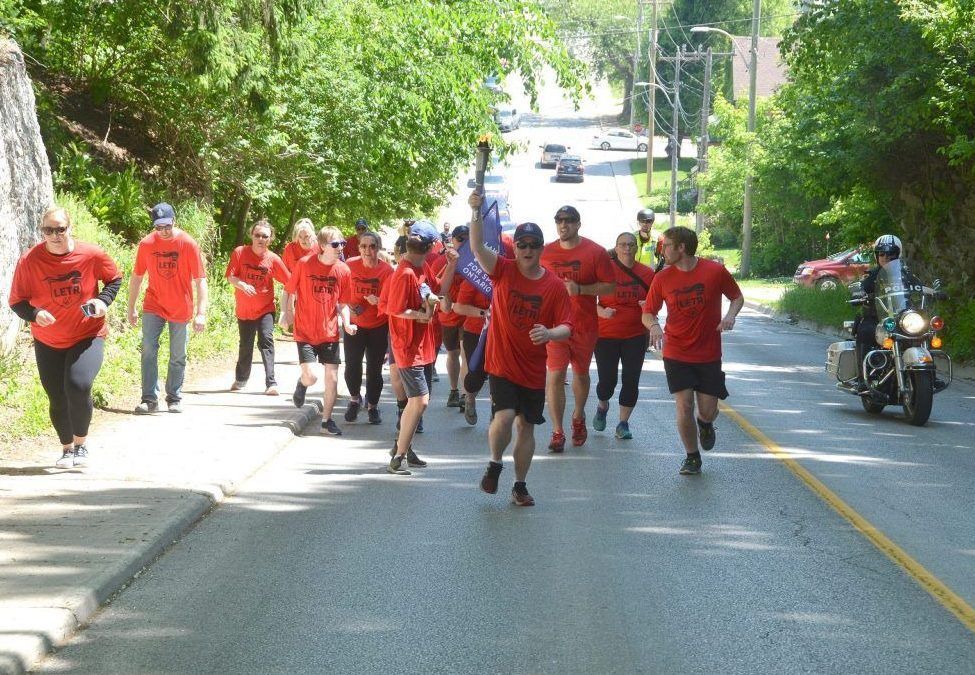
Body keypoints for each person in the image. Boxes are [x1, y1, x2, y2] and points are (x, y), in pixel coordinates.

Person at [468, 192, 573, 506]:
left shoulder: (553, 286)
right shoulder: (503, 270)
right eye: (522, 245)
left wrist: (549, 332)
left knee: (526, 425)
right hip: (501, 362)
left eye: (533, 245)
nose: (527, 250)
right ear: (516, 248)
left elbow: (568, 325)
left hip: (532, 368)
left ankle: (520, 485)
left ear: (541, 248)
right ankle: (495, 462)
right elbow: (476, 247)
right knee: (505, 415)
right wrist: (475, 211)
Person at [8, 207, 123, 468]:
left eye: (60, 229)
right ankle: (67, 449)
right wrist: (35, 314)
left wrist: (102, 300)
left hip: (87, 333)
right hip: (48, 339)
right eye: (48, 230)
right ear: (42, 232)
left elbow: (114, 279)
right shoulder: (29, 261)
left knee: (78, 384)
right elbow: (17, 302)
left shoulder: (91, 254)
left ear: (70, 228)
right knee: (57, 396)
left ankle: (81, 445)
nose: (55, 235)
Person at [642, 226, 743, 476]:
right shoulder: (662, 278)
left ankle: (705, 424)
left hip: (708, 352)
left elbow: (737, 297)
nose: (662, 251)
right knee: (683, 406)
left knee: (707, 410)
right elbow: (647, 312)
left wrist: (730, 317)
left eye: (666, 246)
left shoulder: (714, 271)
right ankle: (692, 456)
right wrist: (654, 327)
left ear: (681, 248)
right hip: (676, 352)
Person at [379, 219, 456, 475]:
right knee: (420, 401)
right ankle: (398, 457)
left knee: (420, 401)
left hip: (423, 346)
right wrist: (421, 316)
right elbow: (394, 309)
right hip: (408, 347)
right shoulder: (405, 272)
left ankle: (404, 448)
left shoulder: (421, 269)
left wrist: (452, 265)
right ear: (432, 246)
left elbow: (439, 291)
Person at [540, 205, 615, 452]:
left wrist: (581, 289)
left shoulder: (595, 252)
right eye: (559, 220)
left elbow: (609, 287)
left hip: (584, 325)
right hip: (555, 326)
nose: (564, 225)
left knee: (580, 375)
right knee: (555, 376)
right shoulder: (546, 252)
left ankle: (579, 416)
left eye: (569, 220)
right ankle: (558, 430)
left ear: (578, 224)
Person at [128, 202, 208, 414]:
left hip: (180, 306)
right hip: (154, 304)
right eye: (158, 227)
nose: (163, 231)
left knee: (178, 354)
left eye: (167, 226)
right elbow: (137, 277)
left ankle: (174, 397)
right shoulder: (146, 244)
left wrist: (201, 313)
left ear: (174, 221)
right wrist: (132, 308)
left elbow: (201, 280)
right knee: (148, 349)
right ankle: (149, 399)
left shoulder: (188, 243)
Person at [282, 226, 353, 436]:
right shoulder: (304, 264)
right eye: (335, 244)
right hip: (305, 331)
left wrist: (346, 323)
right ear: (322, 246)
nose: (340, 247)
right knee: (312, 377)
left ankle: (326, 421)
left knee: (331, 379)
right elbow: (288, 291)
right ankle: (302, 383)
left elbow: (344, 303)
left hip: (329, 332)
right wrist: (286, 314)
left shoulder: (343, 270)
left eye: (342, 244)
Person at [593, 232, 655, 439]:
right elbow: (585, 300)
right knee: (607, 381)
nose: (627, 248)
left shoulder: (647, 274)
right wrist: (600, 311)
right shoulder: (604, 271)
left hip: (636, 335)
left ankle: (623, 423)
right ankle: (602, 405)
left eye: (631, 245)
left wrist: (649, 307)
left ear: (637, 248)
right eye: (622, 245)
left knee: (631, 380)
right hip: (606, 335)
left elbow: (656, 302)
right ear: (616, 247)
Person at [225, 219, 290, 395]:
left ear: (270, 239)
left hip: (265, 309)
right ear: (251, 236)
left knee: (266, 341)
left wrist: (288, 309)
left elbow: (290, 282)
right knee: (246, 345)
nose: (261, 239)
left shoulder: (273, 259)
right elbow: (231, 277)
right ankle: (241, 379)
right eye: (257, 235)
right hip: (244, 310)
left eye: (265, 236)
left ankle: (271, 383)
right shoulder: (240, 253)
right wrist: (242, 285)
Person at [342, 230, 393, 424]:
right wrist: (348, 310)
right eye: (363, 246)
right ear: (358, 248)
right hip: (355, 324)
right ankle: (354, 399)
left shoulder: (387, 271)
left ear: (378, 248)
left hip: (378, 325)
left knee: (374, 370)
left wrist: (378, 300)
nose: (367, 250)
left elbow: (392, 302)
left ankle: (373, 406)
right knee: (352, 366)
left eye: (372, 246)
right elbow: (341, 295)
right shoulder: (349, 266)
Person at [854, 234, 902, 391]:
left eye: (891, 254)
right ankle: (863, 378)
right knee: (865, 331)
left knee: (923, 332)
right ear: (877, 256)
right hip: (877, 318)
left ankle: (929, 376)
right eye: (882, 254)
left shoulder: (905, 273)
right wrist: (859, 293)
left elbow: (918, 285)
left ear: (898, 254)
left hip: (901, 318)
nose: (886, 257)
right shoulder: (873, 275)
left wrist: (933, 292)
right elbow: (863, 287)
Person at [450, 277, 491, 425]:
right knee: (476, 374)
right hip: (475, 331)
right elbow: (459, 307)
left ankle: (497, 411)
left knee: (499, 373)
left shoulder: (506, 277)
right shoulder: (473, 279)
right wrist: (484, 313)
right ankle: (470, 398)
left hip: (501, 334)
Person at [437, 225, 470, 409]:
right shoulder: (444, 259)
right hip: (448, 315)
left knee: (465, 353)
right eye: (460, 239)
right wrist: (444, 296)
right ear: (453, 240)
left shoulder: (476, 261)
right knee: (453, 353)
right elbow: (432, 285)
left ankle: (465, 395)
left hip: (468, 314)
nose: (463, 242)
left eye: (466, 238)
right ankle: (453, 390)